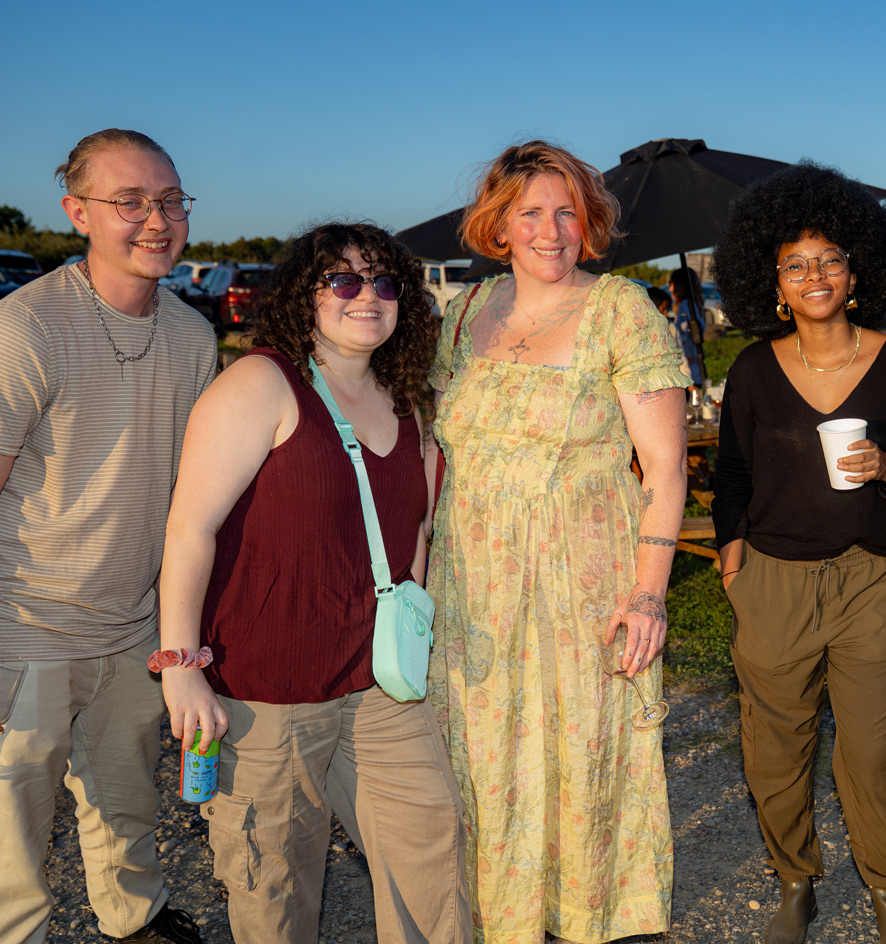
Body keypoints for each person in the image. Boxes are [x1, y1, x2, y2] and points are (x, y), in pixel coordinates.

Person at [157, 222, 470, 944]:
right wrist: (180, 667)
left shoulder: (410, 403)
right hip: (266, 694)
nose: (369, 296)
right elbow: (189, 529)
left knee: (431, 852)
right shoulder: (261, 383)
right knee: (275, 891)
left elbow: (413, 535)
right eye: (345, 280)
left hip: (379, 687)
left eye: (386, 283)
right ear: (308, 293)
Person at [427, 141, 689, 944]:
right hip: (471, 586)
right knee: (481, 760)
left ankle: (577, 922)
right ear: (497, 225)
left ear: (590, 222)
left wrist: (648, 592)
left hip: (584, 585)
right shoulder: (464, 313)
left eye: (567, 212)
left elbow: (669, 468)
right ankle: (497, 921)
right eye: (529, 213)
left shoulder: (620, 309)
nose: (550, 230)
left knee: (578, 762)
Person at [710, 161, 886, 944]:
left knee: (873, 750)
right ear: (774, 282)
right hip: (773, 580)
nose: (815, 274)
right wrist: (731, 552)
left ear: (857, 272)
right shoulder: (751, 370)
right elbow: (735, 474)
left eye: (831, 259)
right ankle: (794, 880)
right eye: (796, 263)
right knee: (776, 749)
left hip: (871, 578)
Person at [0, 129, 214, 944]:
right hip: (26, 628)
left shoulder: (194, 339)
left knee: (125, 798)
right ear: (77, 213)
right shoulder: (27, 329)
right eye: (129, 202)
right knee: (12, 830)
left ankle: (136, 919)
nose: (155, 220)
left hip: (133, 626)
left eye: (169, 201)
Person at [669, 265, 706, 386]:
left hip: (688, 367)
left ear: (679, 285)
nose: (669, 288)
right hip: (696, 363)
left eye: (672, 283)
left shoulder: (684, 305)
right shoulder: (695, 304)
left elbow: (680, 336)